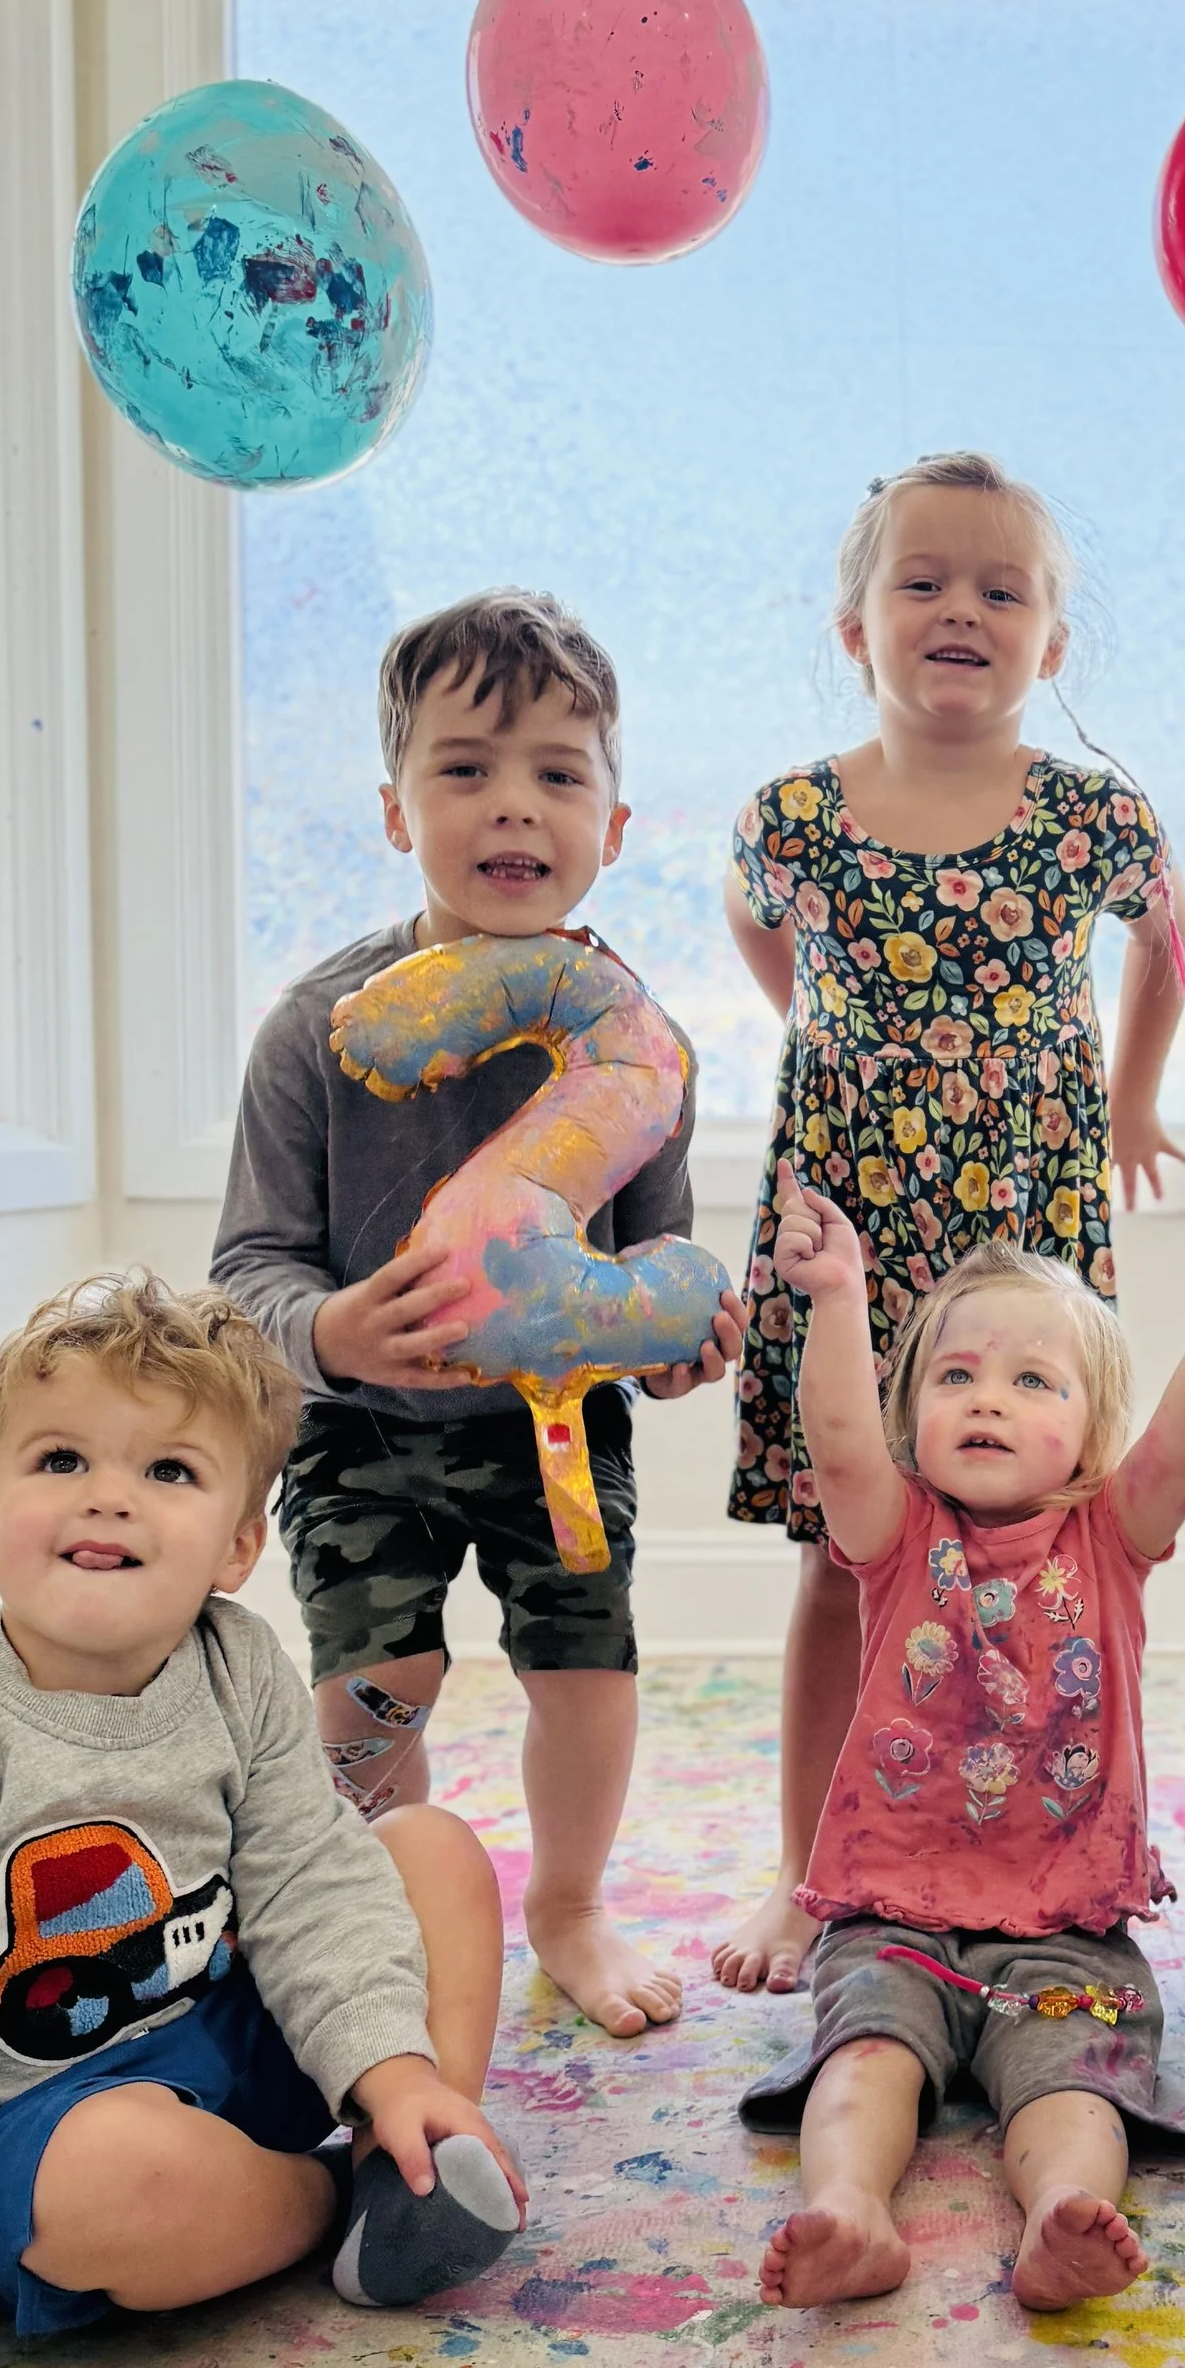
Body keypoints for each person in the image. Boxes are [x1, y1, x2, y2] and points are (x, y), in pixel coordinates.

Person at [0, 1276, 526, 2368]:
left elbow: (310, 1879)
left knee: (429, 1852)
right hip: (25, 2130)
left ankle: (402, 2153)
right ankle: (329, 2204)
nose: (108, 1493)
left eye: (169, 1471)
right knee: (128, 2179)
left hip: (217, 2022)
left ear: (237, 1545)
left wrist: (391, 2064)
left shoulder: (240, 1665)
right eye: (60, 1459)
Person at [213, 591, 745, 2039]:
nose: (514, 805)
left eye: (558, 774)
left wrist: (688, 1342)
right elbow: (245, 1273)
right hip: (361, 1431)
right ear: (397, 808)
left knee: (584, 1667)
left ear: (615, 824)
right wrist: (331, 1335)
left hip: (555, 1434)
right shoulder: (317, 1027)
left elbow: (659, 1252)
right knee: (379, 1680)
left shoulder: (633, 1042)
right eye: (467, 769)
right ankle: (377, 1894)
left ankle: (568, 1901)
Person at [710, 451, 1185, 2001]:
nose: (960, 610)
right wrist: (847, 1044)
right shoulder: (792, 814)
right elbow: (754, 925)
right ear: (854, 624)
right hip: (851, 1210)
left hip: (1028, 1222)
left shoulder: (1088, 814)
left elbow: (1171, 936)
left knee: (1045, 1568)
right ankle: (818, 1873)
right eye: (921, 581)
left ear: (1054, 639)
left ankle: (1025, 1847)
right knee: (846, 1556)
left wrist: (1129, 1096)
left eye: (1003, 588)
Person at [742, 1171, 1185, 2312]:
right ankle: (851, 2214)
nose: (987, 1400)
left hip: (1065, 1926)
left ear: (1089, 1433)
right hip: (895, 1919)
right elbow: (841, 1444)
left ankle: (1061, 2221)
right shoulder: (896, 1532)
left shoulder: (1111, 1535)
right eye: (955, 1376)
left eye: (1030, 1380)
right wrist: (834, 1299)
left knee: (1075, 2083)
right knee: (863, 2057)